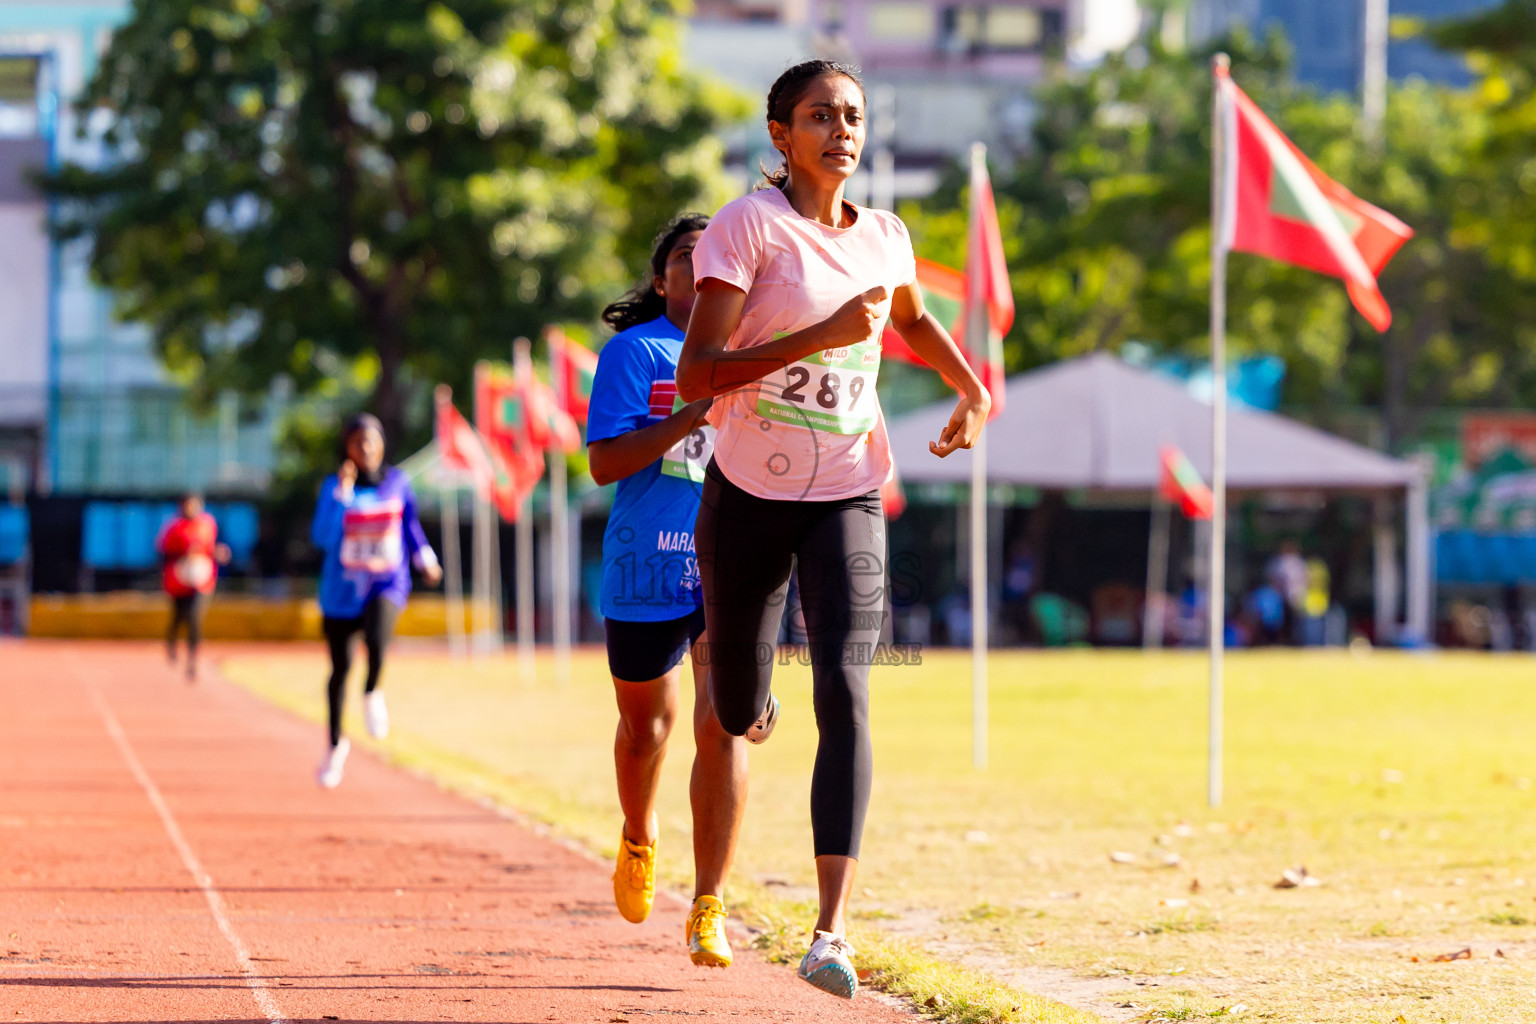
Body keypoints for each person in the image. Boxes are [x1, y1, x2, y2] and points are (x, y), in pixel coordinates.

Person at [677, 59, 989, 999]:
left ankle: (832, 932)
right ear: (781, 134)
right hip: (747, 491)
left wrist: (970, 385)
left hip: (850, 488)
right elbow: (698, 375)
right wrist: (814, 338)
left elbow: (914, 318)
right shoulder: (746, 228)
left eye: (852, 116)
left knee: (849, 691)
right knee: (734, 709)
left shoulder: (887, 235)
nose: (841, 130)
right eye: (820, 116)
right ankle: (751, 701)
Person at [588, 214, 776, 969]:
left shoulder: (756, 354)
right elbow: (605, 465)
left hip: (732, 563)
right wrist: (689, 414)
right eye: (683, 258)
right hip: (647, 564)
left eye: (713, 258)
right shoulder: (635, 353)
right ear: (661, 277)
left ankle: (709, 906)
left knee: (722, 727)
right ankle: (639, 834)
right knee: (648, 731)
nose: (700, 269)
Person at [310, 413, 441, 788]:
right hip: (342, 590)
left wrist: (426, 558)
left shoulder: (397, 482)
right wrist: (342, 495)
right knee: (339, 670)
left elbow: (410, 525)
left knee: (379, 636)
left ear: (382, 443)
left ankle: (372, 691)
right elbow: (322, 537)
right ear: (346, 448)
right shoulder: (333, 487)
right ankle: (335, 745)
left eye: (372, 441)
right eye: (357, 442)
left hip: (386, 580)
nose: (366, 449)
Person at [156, 492, 231, 683]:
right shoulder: (174, 528)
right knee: (179, 617)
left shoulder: (207, 525)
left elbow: (210, 548)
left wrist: (217, 553)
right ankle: (172, 643)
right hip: (178, 580)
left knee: (195, 618)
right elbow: (163, 552)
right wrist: (183, 554)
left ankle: (192, 661)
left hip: (201, 580)